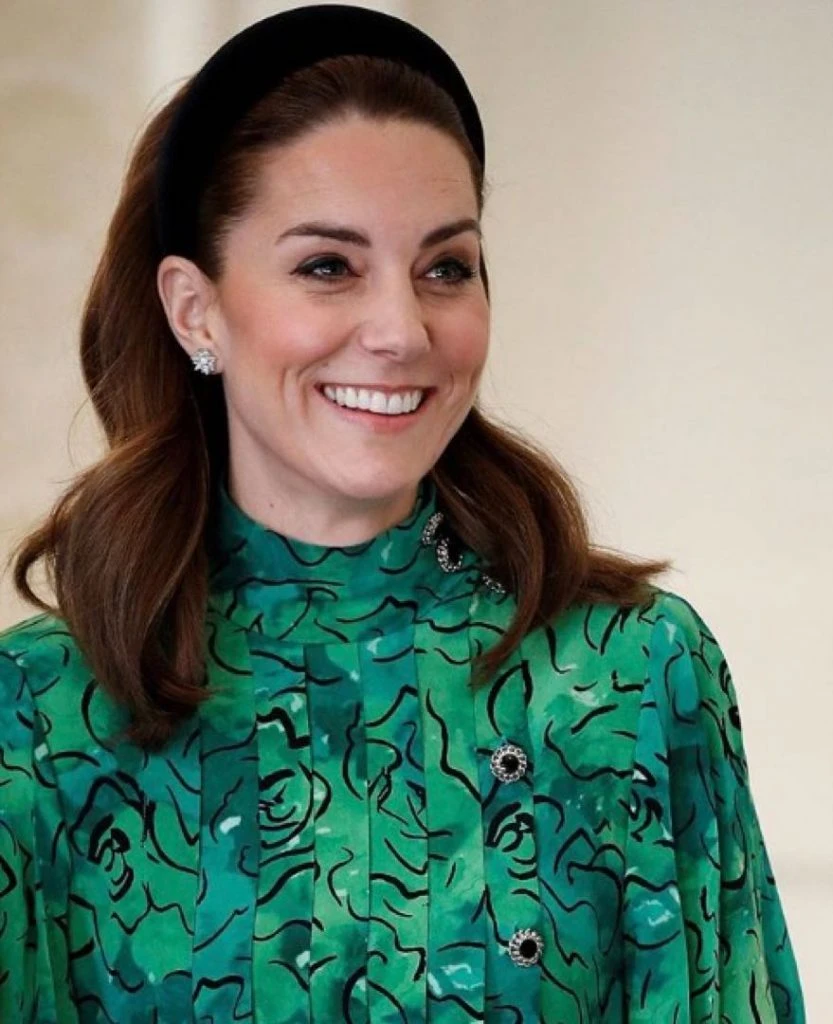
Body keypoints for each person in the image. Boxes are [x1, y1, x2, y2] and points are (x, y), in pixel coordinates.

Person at [0, 5, 805, 1022]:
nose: (401, 330)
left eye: (444, 268)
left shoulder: (632, 675)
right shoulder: (41, 714)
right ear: (195, 308)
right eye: (327, 267)